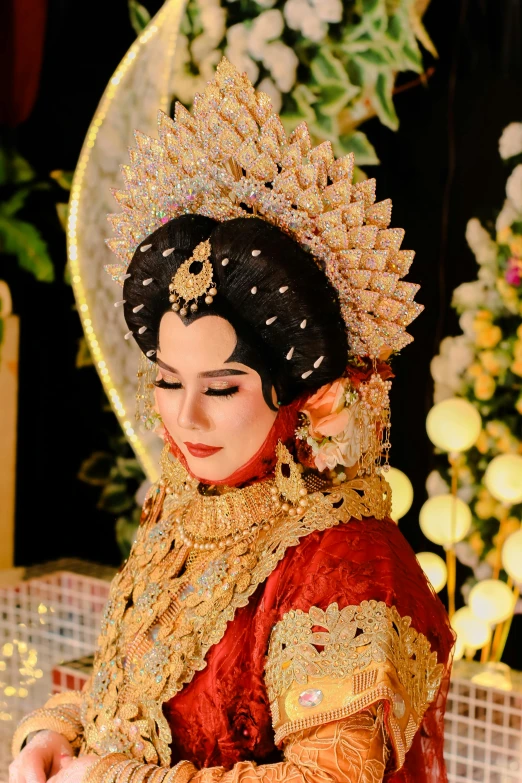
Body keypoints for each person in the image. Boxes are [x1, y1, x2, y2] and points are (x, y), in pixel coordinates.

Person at [10, 59, 454, 783]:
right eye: (167, 380)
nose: (185, 416)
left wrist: (115, 779)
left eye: (221, 386)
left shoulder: (342, 557)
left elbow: (334, 777)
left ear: (294, 392)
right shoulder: (184, 507)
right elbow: (141, 701)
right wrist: (52, 737)